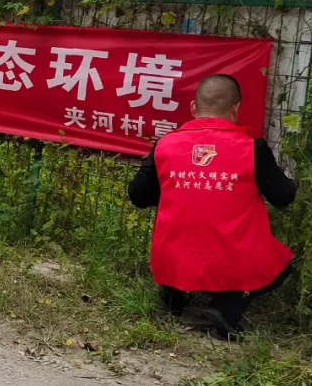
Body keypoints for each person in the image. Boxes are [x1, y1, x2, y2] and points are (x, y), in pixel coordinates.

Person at [127, 74, 296, 339]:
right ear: (236, 109)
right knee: (283, 261)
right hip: (229, 263)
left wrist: (183, 188)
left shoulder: (165, 146)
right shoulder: (253, 150)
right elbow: (283, 197)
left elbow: (138, 196)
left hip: (173, 259)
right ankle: (227, 307)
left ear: (193, 108)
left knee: (184, 242)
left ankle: (173, 294)